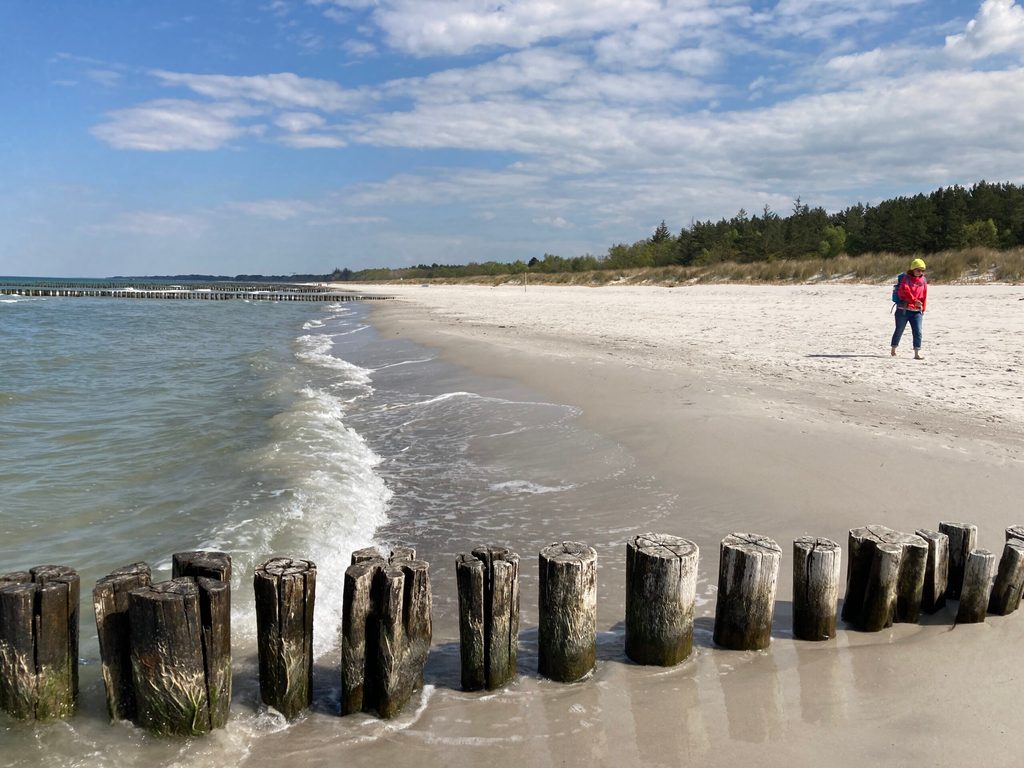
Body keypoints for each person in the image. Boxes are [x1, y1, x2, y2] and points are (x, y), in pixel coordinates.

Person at [891, 258, 927, 360]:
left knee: (918, 331)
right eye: (918, 270)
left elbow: (924, 294)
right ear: (913, 269)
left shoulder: (923, 280)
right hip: (903, 310)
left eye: (922, 270)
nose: (921, 272)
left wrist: (923, 307)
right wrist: (914, 300)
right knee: (899, 330)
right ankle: (893, 349)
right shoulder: (905, 279)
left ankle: (916, 353)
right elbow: (904, 292)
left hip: (917, 311)